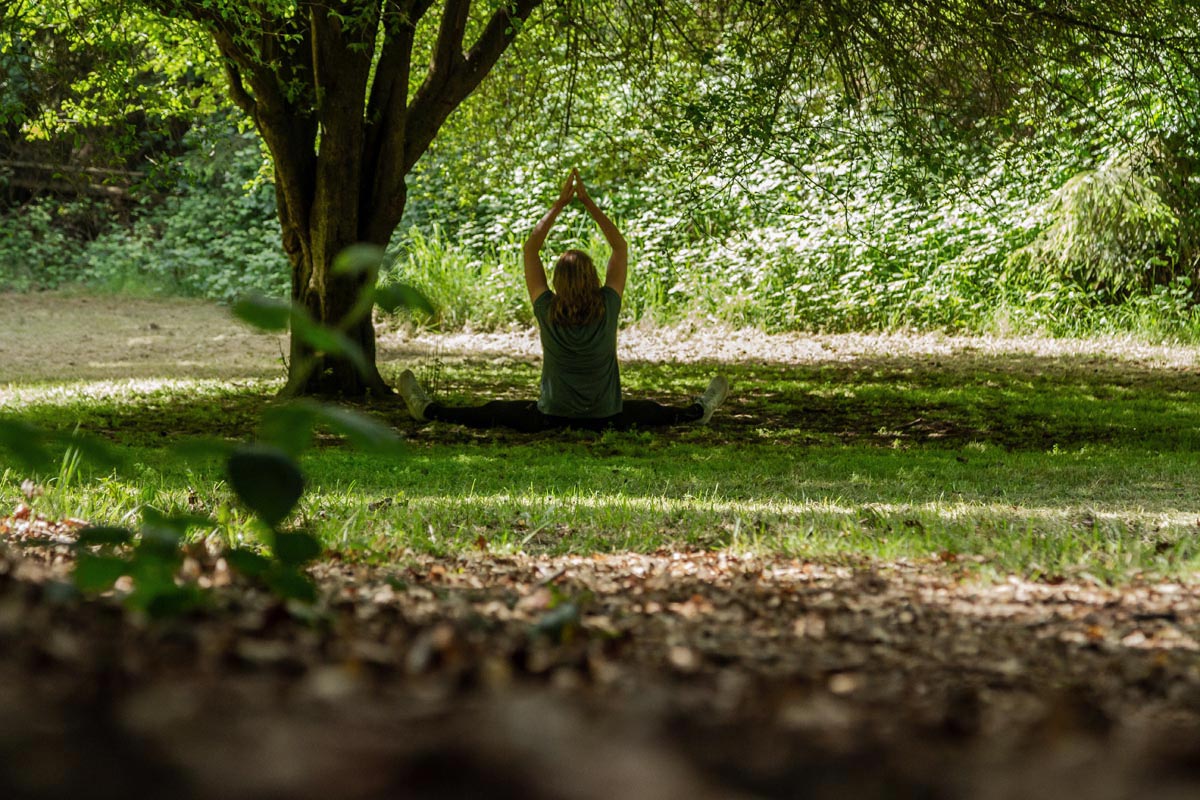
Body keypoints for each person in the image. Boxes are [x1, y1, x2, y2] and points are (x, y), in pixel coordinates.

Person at [398, 169, 728, 432]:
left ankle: (429, 411)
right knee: (651, 411)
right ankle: (697, 412)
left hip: (552, 417)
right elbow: (620, 248)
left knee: (494, 411)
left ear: (556, 281)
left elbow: (530, 250)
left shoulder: (547, 309)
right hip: (605, 418)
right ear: (593, 277)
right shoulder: (608, 306)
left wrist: (558, 204)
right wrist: (587, 203)